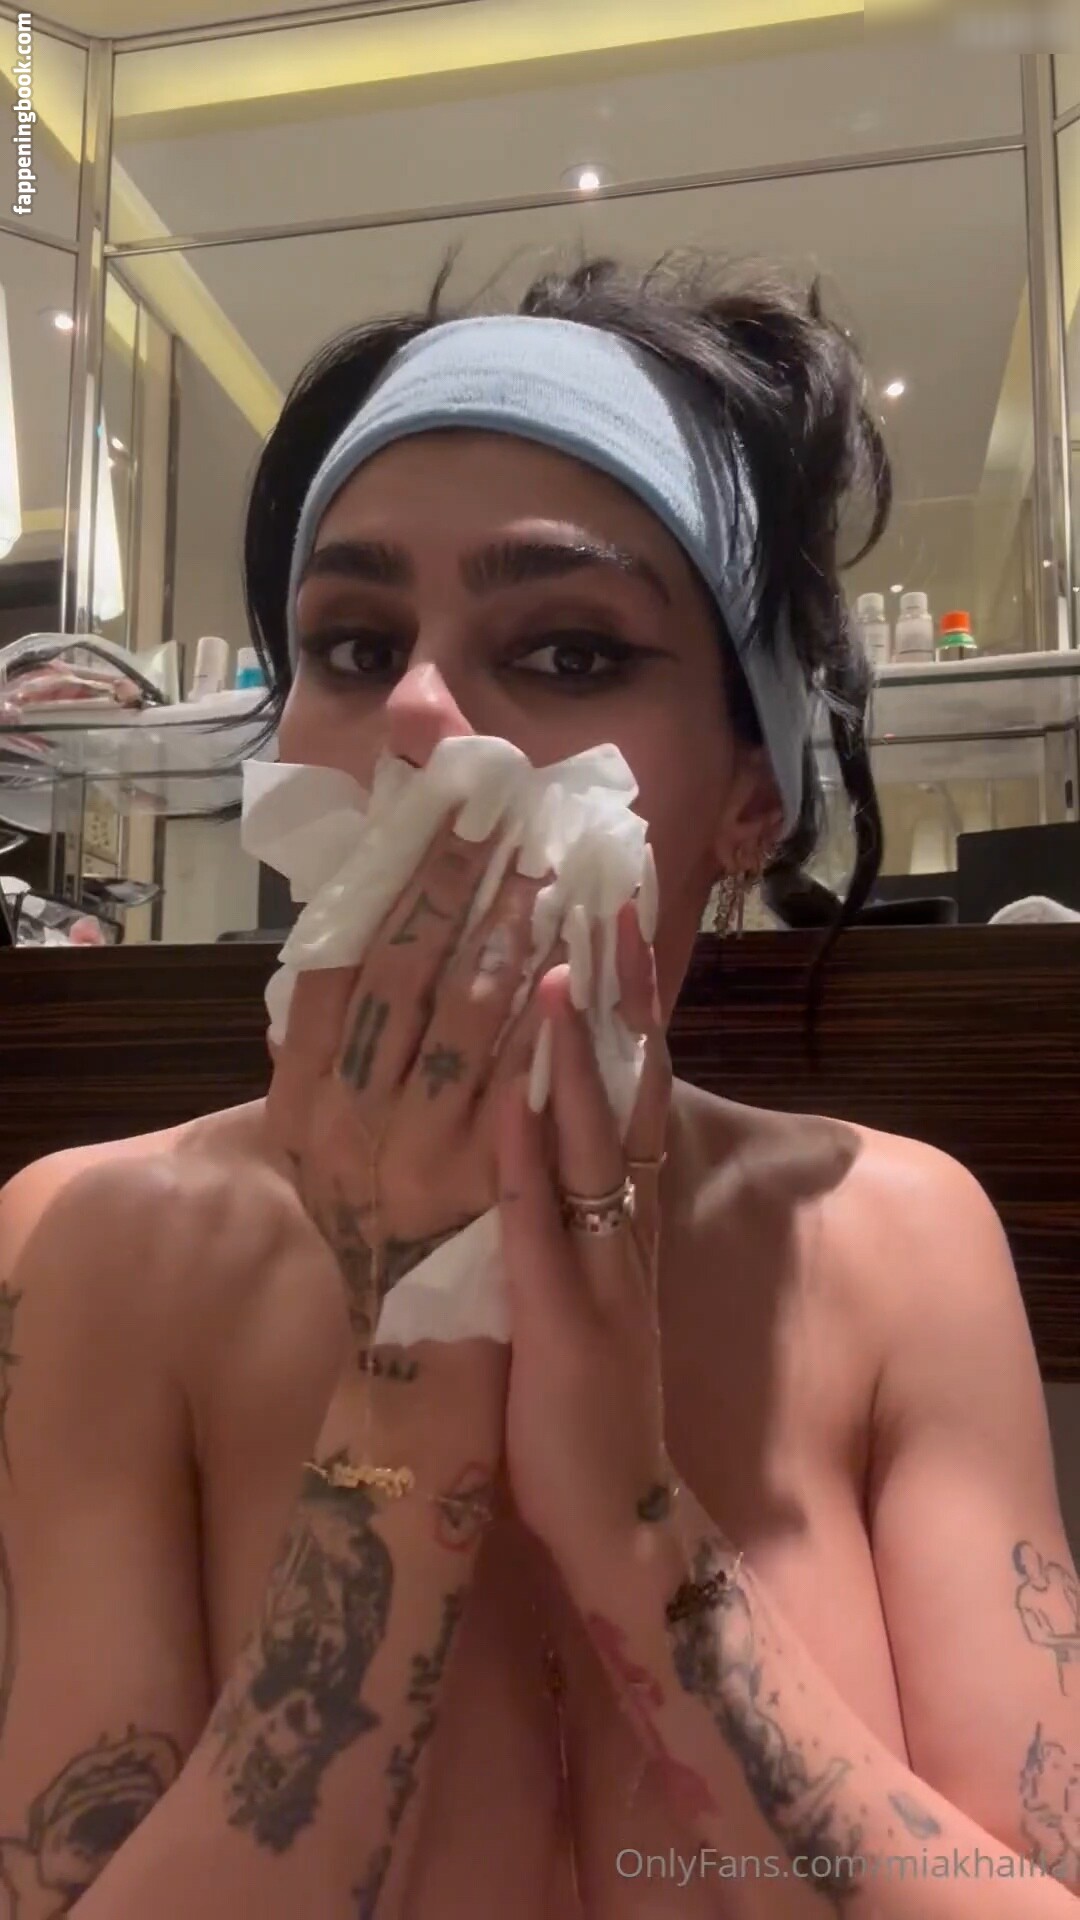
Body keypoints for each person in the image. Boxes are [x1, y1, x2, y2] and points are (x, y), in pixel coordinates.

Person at [0, 252, 1075, 1920]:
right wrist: (405, 1400)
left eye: (569, 651)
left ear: (749, 794)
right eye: (354, 644)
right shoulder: (103, 1247)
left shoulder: (892, 1243)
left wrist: (637, 1529)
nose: (420, 715)